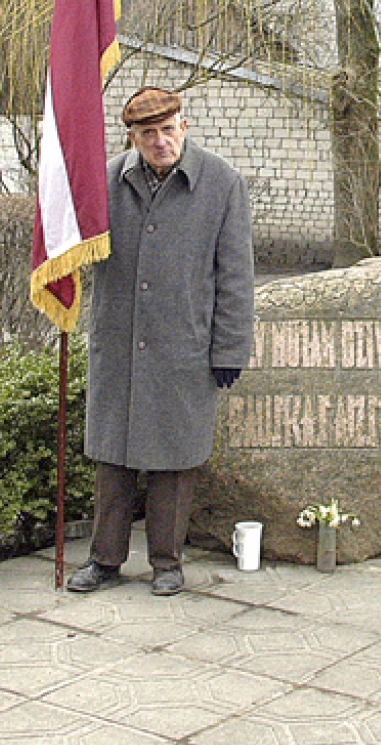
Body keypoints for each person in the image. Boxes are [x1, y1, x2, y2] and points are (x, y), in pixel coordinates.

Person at [67, 86, 255, 597]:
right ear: (132, 137)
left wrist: (230, 350)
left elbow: (235, 277)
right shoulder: (104, 181)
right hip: (120, 345)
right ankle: (104, 559)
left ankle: (167, 563)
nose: (160, 141)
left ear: (184, 127)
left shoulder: (222, 184)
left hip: (184, 347)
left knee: (174, 462)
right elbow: (72, 244)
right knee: (114, 459)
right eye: (148, 134)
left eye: (168, 130)